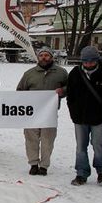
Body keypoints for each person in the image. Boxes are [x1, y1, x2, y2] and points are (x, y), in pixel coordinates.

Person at [66, 45, 102, 185]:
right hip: (80, 118)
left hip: (99, 117)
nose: (88, 64)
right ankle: (81, 173)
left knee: (98, 144)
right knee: (80, 147)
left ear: (97, 60)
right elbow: (70, 95)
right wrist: (73, 111)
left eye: (91, 61)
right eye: (85, 61)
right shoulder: (75, 73)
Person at [16, 46, 68, 176]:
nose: (44, 58)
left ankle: (44, 165)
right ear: (38, 58)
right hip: (31, 113)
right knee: (31, 139)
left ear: (51, 57)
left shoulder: (61, 73)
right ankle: (33, 163)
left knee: (47, 140)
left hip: (49, 113)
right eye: (41, 55)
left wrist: (63, 91)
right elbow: (20, 90)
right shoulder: (29, 74)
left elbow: (70, 87)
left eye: (46, 55)